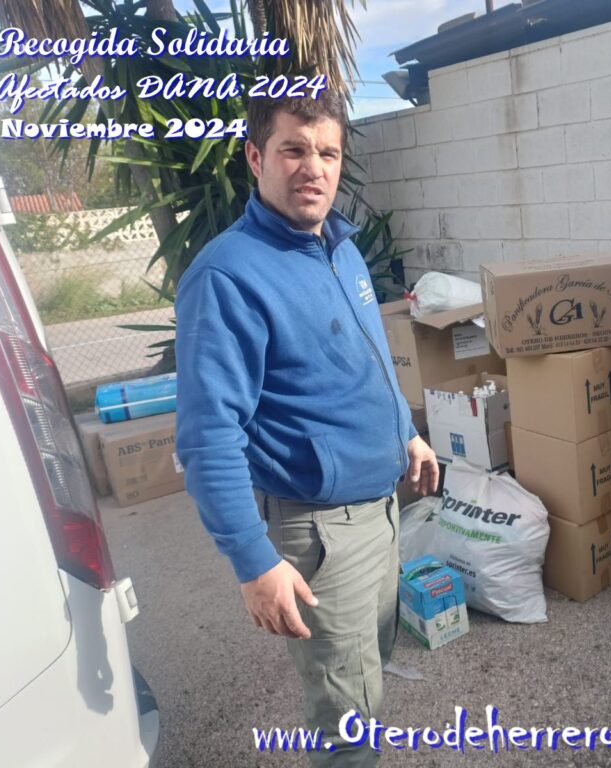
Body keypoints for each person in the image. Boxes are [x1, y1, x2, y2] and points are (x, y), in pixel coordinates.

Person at [174, 92, 438, 766]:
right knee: (346, 719)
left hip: (381, 511)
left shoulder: (339, 248)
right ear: (255, 156)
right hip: (320, 531)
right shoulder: (227, 276)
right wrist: (253, 560)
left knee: (368, 671)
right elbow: (208, 438)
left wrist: (405, 431)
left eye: (327, 152)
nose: (313, 168)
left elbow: (366, 358)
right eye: (293, 149)